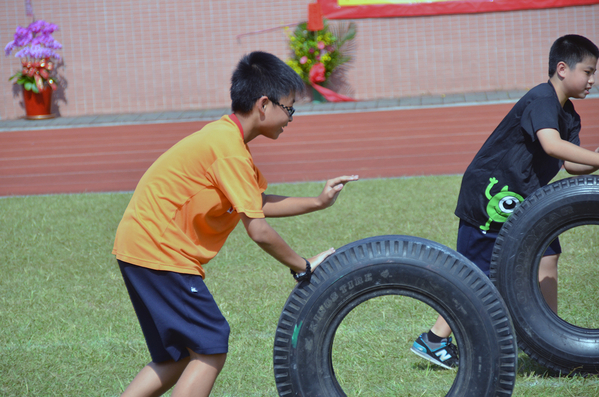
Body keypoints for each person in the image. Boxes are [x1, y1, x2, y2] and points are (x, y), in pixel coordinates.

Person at [112, 51, 359, 396]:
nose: (291, 118)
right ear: (263, 105)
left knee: (177, 356)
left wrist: (318, 202)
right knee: (211, 345)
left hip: (140, 246)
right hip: (160, 250)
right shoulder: (228, 150)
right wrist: (301, 266)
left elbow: (254, 204)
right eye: (289, 108)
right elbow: (257, 229)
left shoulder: (226, 141)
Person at [410, 34, 599, 369]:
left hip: (526, 200)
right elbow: (552, 145)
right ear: (562, 68)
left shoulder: (569, 114)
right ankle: (434, 339)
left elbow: (573, 164)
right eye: (588, 71)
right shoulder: (542, 98)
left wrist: (596, 157)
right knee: (479, 272)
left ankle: (549, 342)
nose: (592, 79)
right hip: (492, 196)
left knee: (547, 256)